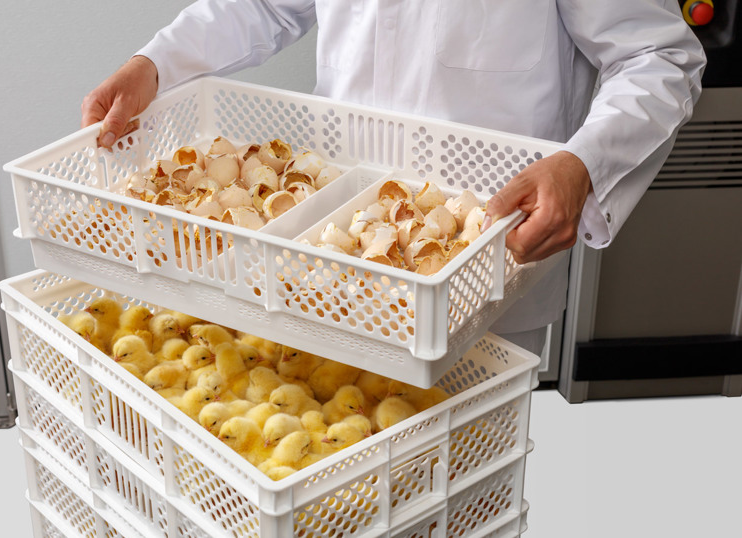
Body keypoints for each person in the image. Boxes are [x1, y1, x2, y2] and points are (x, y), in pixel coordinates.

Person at [81, 1, 706, 355]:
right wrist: (155, 63)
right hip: (328, 247)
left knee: (461, 485)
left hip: (488, 261)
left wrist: (583, 165)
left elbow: (657, 56)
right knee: (331, 470)